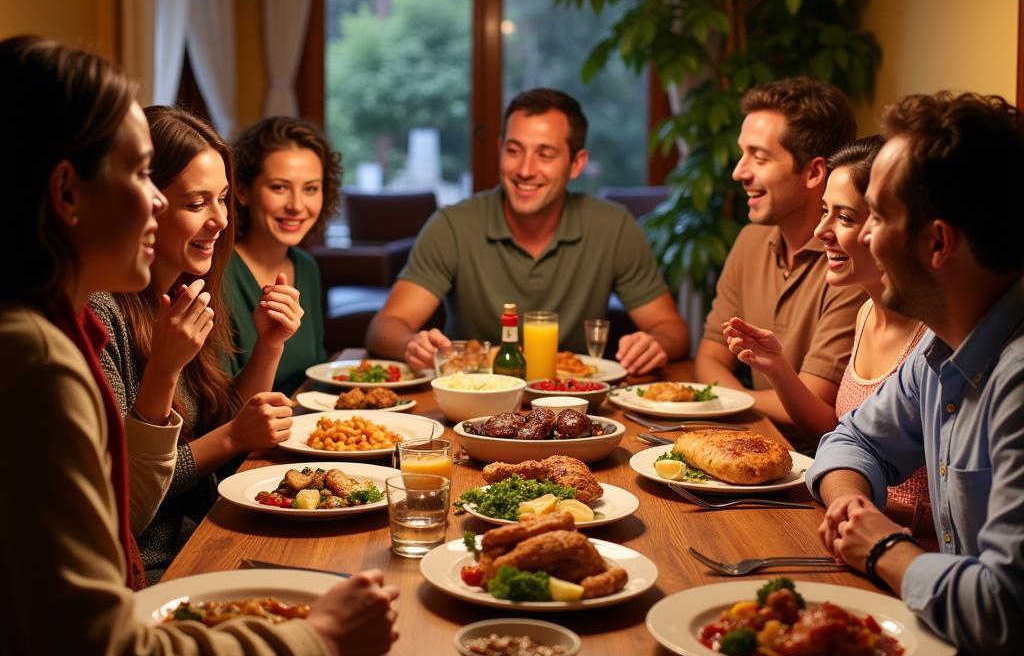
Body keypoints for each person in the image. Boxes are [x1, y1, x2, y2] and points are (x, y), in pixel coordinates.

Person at [0, 36, 398, 656]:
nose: (159, 203)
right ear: (65, 193)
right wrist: (318, 641)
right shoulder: (36, 358)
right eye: (143, 173)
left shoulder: (67, 324)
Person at [809, 92, 1024, 656]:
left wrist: (883, 551)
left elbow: (1008, 615)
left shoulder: (1016, 378)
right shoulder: (943, 342)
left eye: (876, 216)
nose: (866, 237)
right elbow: (854, 441)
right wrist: (853, 507)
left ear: (936, 243)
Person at [90, 107, 304, 581]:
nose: (221, 221)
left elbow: (221, 431)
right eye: (196, 203)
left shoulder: (190, 288)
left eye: (223, 199)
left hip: (202, 539)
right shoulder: (100, 312)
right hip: (150, 570)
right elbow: (128, 512)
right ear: (144, 201)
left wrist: (270, 346)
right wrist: (227, 432)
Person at [366, 88, 689, 375]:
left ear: (576, 164)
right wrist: (411, 343)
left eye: (545, 155)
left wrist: (655, 344)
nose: (525, 170)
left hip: (572, 401)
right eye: (514, 150)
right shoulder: (453, 225)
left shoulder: (613, 226)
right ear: (499, 148)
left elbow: (672, 329)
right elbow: (385, 327)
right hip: (475, 400)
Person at [723, 136, 930, 531]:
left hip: (902, 547)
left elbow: (952, 517)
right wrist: (779, 368)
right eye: (824, 212)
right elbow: (842, 436)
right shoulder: (866, 311)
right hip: (844, 523)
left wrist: (864, 515)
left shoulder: (933, 339)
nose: (821, 231)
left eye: (845, 218)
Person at [694, 77, 863, 442]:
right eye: (743, 154)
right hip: (754, 445)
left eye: (759, 156)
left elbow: (815, 405)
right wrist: (746, 400)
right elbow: (708, 357)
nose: (739, 172)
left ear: (815, 172)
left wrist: (724, 399)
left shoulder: (852, 261)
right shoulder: (750, 240)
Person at [226, 116, 342, 395]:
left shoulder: (306, 267)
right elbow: (221, 412)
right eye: (279, 187)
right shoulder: (218, 272)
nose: (297, 205)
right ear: (242, 190)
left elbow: (315, 373)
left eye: (311, 189)